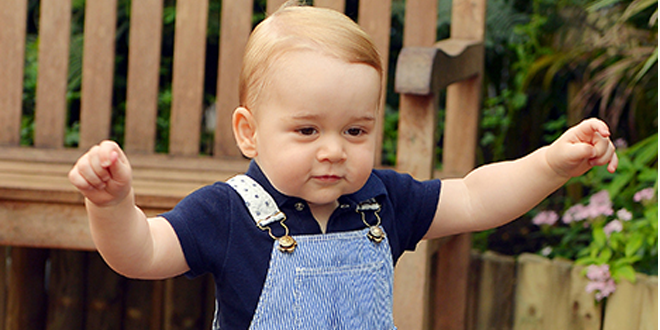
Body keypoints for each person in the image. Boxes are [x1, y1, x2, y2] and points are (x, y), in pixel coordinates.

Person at [68, 3, 618, 329]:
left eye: (355, 131)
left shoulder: (382, 201)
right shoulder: (229, 212)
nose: (334, 150)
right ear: (249, 132)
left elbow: (475, 197)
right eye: (307, 131)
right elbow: (140, 252)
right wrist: (114, 205)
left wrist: (550, 164)